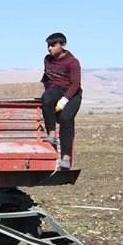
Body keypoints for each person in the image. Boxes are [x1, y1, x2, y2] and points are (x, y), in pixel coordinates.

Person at [40, 32, 81, 170]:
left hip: (72, 94)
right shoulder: (47, 59)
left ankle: (66, 158)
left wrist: (65, 99)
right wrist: (49, 96)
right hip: (55, 90)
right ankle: (51, 134)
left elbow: (75, 84)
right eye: (48, 45)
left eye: (53, 45)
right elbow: (47, 78)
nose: (49, 48)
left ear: (63, 45)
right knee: (46, 97)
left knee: (65, 119)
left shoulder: (73, 62)